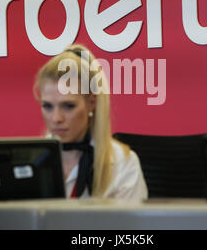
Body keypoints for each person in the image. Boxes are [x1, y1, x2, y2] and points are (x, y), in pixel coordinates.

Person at [33, 44, 148, 200]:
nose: (56, 118)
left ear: (91, 102)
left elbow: (135, 224)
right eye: (47, 106)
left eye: (68, 106)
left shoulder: (123, 163)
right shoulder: (29, 160)